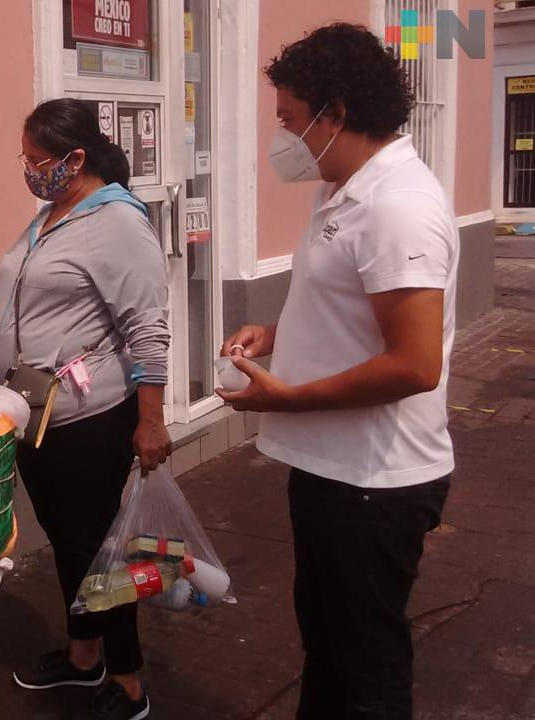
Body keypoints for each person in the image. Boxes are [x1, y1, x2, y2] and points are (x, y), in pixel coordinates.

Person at [219, 23, 455, 719]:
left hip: (375, 480)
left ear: (336, 114)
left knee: (366, 666)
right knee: (328, 645)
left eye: (290, 118)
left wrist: (288, 398)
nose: (283, 136)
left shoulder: (398, 207)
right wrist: (275, 334)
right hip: (333, 469)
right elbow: (351, 309)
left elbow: (415, 364)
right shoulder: (343, 190)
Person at [0, 98, 172, 720]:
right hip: (36, 413)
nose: (29, 170)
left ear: (75, 157)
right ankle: (83, 655)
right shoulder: (52, 214)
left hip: (89, 420)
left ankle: (127, 684)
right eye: (25, 159)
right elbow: (27, 293)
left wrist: (151, 420)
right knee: (71, 544)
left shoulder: (117, 222)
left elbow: (147, 327)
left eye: (37, 160)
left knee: (98, 550)